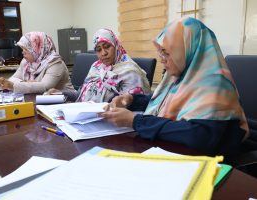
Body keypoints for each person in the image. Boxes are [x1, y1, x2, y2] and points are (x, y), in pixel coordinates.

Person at [101, 17, 249, 157]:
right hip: (172, 151)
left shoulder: (215, 84)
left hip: (207, 163)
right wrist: (131, 100)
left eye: (166, 53)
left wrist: (135, 121)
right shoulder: (180, 74)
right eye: (160, 53)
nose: (162, 60)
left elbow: (199, 136)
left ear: (187, 50)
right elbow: (163, 101)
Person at [46, 28, 151, 102]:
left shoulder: (131, 72)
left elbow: (130, 108)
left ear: (116, 46)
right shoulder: (96, 67)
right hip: (83, 118)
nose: (103, 53)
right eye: (98, 50)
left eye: (107, 47)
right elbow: (81, 94)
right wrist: (61, 93)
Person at [0, 32, 78, 98]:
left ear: (38, 48)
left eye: (26, 49)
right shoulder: (26, 62)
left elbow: (45, 87)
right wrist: (25, 83)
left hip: (65, 101)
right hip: (38, 98)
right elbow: (14, 78)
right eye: (22, 49)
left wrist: (14, 85)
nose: (23, 52)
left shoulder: (55, 62)